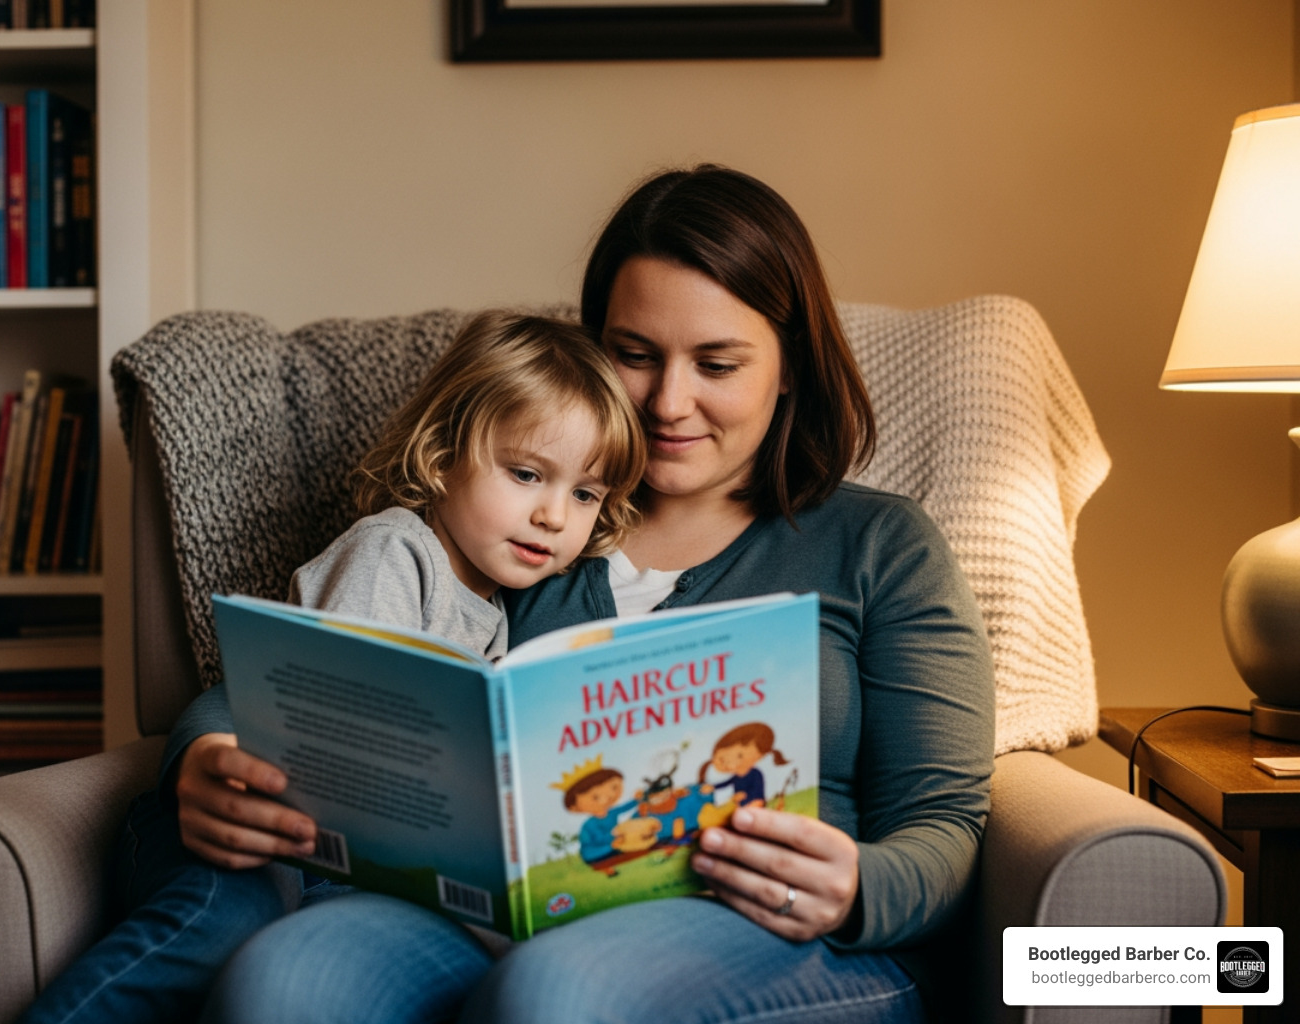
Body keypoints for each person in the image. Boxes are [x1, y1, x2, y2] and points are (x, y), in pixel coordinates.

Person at [170, 164, 996, 1024]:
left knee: (557, 993)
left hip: (779, 932)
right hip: (500, 917)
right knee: (283, 978)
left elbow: (945, 822)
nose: (668, 403)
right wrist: (201, 753)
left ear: (789, 367)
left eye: (717, 364)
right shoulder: (528, 527)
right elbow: (306, 675)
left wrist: (858, 886)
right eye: (634, 356)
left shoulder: (880, 544)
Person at [17, 311, 646, 1024]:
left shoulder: (498, 610)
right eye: (527, 474)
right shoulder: (395, 552)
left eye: (585, 493)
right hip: (239, 820)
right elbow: (345, 731)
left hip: (327, 858)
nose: (555, 516)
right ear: (441, 456)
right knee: (218, 925)